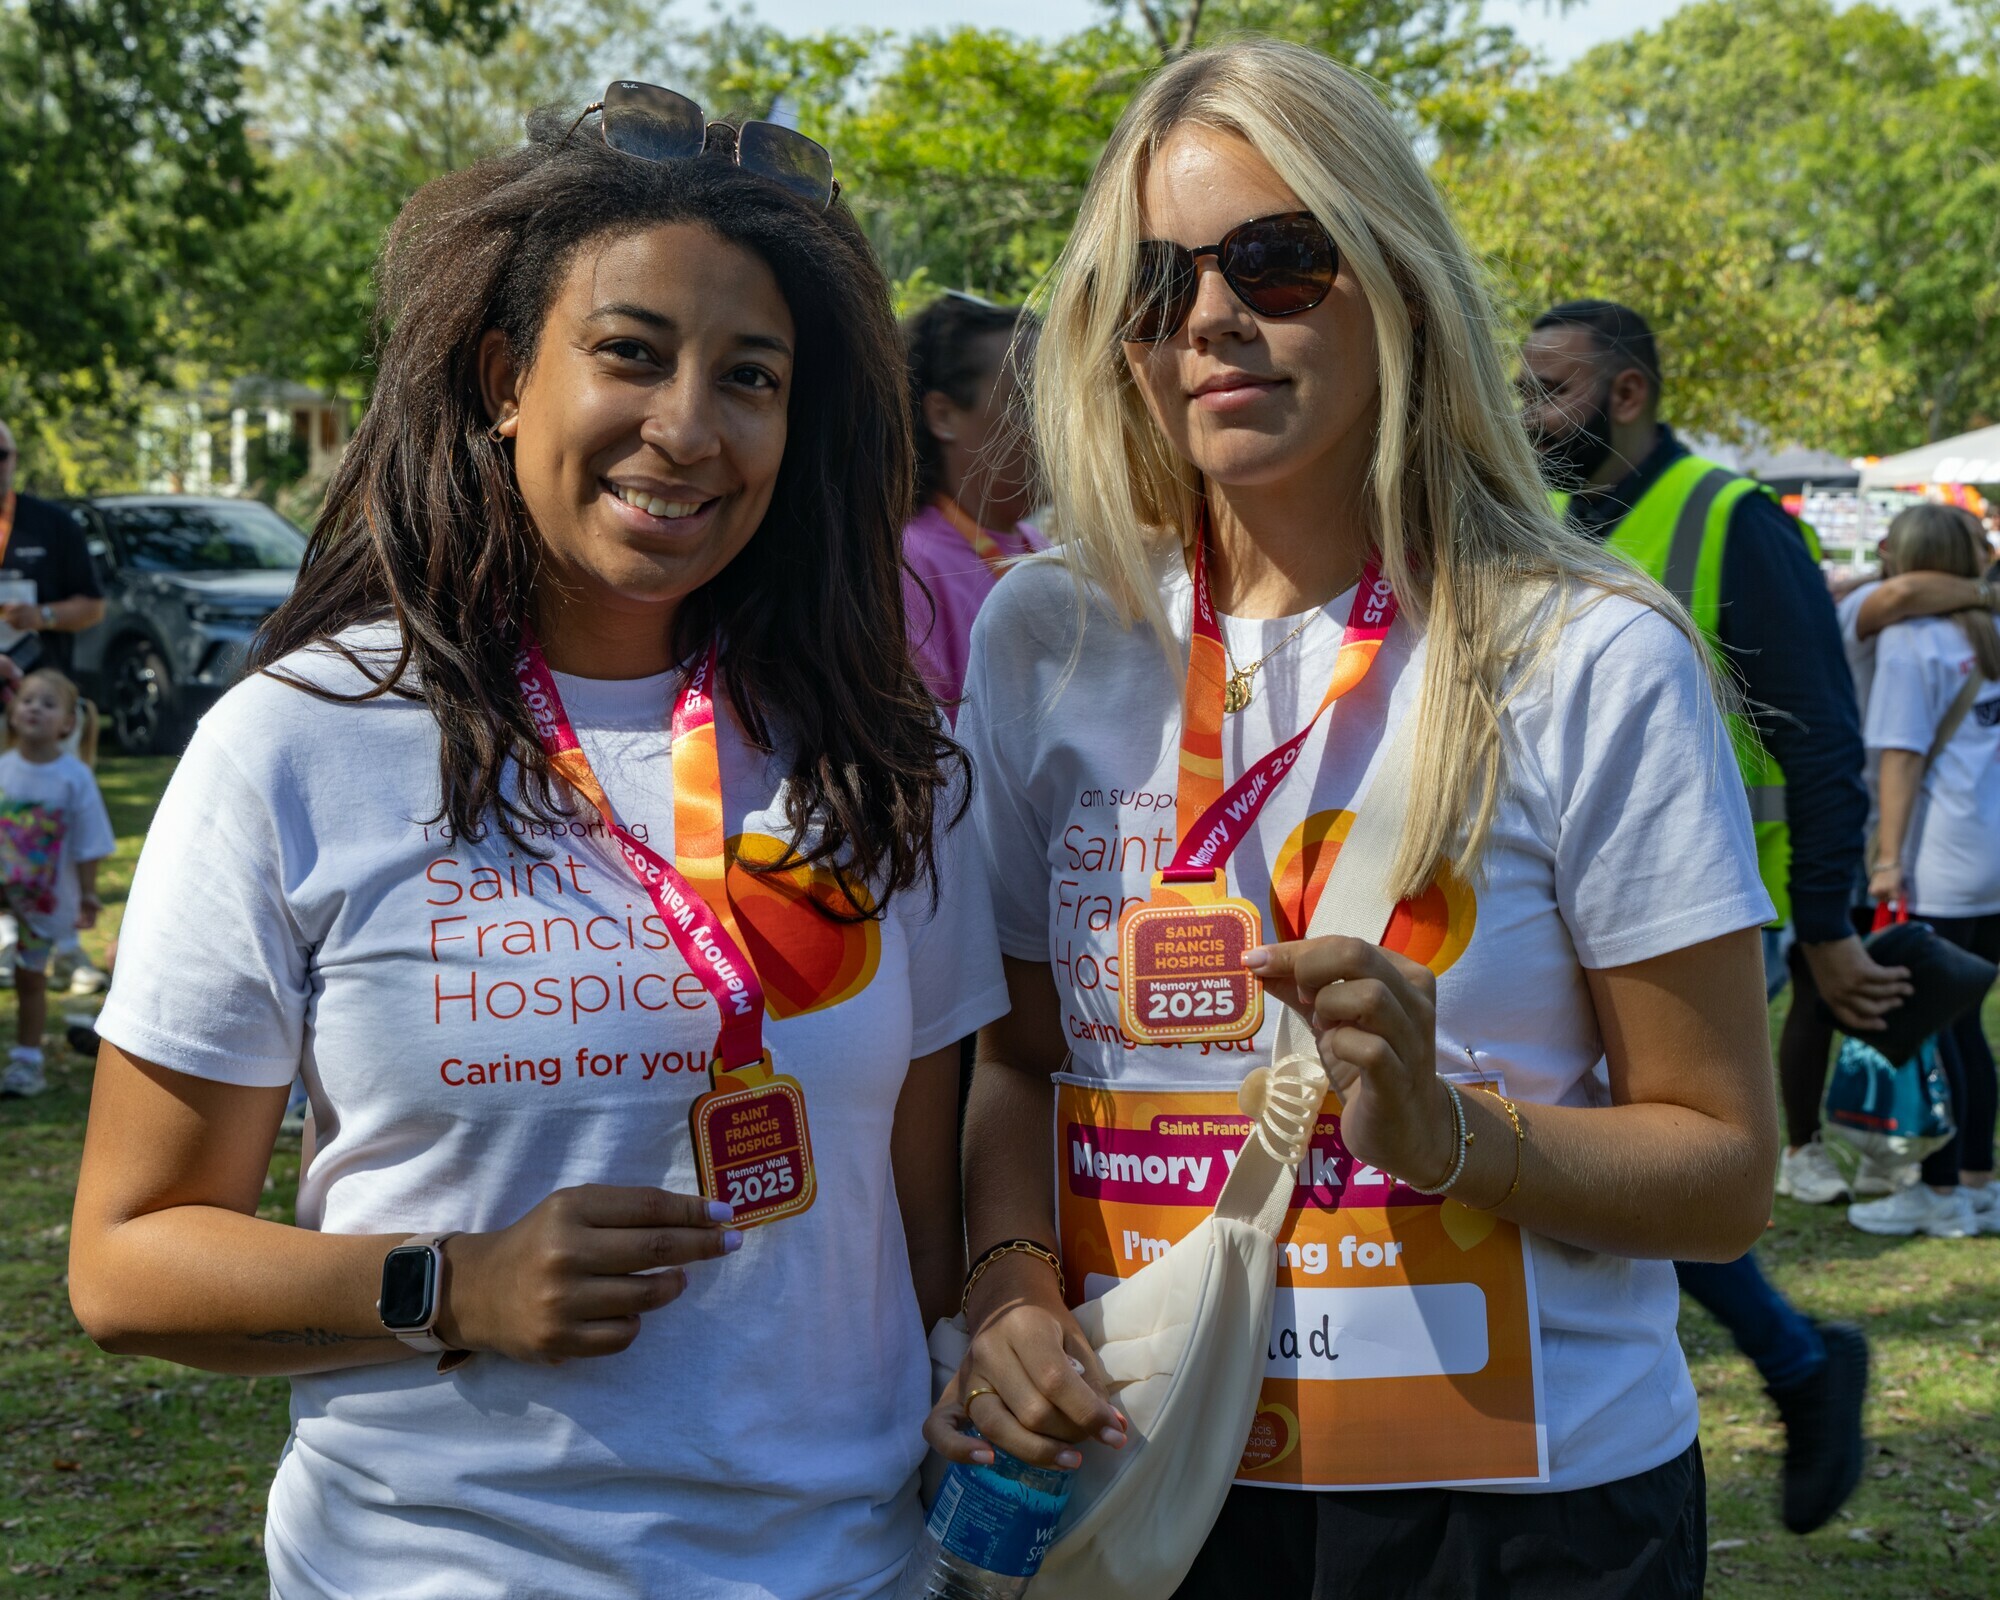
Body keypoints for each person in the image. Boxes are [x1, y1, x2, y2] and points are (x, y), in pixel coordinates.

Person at [68, 87, 1006, 1599]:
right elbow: (126, 1261)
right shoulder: (297, 744)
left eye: (749, 378)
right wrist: (455, 1286)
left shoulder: (883, 762)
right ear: (507, 377)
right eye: (630, 353)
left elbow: (922, 1222)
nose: (687, 429)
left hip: (846, 1571)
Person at [931, 41, 1781, 1598]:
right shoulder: (1050, 632)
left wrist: (1455, 1134)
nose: (1205, 320)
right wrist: (1006, 1287)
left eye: (1274, 257)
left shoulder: (1583, 649)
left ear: (1393, 276)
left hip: (1516, 1513)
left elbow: (1724, 1171)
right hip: (1149, 1467)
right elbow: (1018, 1058)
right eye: (1150, 279)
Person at [1521, 299, 1871, 1535]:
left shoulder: (1734, 522)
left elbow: (1823, 738)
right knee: (1609, 1160)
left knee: (1649, 1162)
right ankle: (1800, 1364)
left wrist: (1827, 920)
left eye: (1550, 387)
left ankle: (1795, 1364)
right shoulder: (1556, 527)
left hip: (1733, 917)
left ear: (1626, 396)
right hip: (1586, 918)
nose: (1526, 409)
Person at [1774, 546, 2000, 1203]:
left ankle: (1916, 1168)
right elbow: (1897, 597)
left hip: (1880, 843)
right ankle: (1818, 1150)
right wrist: (1983, 590)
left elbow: (1900, 757)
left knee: (1898, 1004)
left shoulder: (1926, 635)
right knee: (1832, 992)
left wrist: (1887, 860)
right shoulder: (1879, 617)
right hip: (1865, 839)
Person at [1849, 503, 2000, 1238]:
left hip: (1936, 856)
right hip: (1989, 854)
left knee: (1938, 1026)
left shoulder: (1914, 642)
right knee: (1969, 1025)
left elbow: (1900, 756)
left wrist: (1886, 862)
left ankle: (1940, 1193)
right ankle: (1977, 1181)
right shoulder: (1987, 633)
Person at [900, 292, 1045, 720]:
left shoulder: (1036, 545)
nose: (1054, 422)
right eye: (1025, 400)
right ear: (943, 416)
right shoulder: (909, 566)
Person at [0, 669, 111, 1098]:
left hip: (41, 906)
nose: (34, 709)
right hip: (5, 898)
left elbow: (89, 843)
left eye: (48, 704)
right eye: (27, 700)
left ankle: (27, 1063)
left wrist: (87, 893)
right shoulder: (4, 769)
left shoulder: (74, 777)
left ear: (68, 722)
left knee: (31, 980)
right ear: (12, 710)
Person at [0, 419, 107, 675]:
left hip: (39, 687)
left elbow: (94, 607)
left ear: (15, 458)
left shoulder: (54, 522)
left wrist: (43, 615)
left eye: (0, 455)